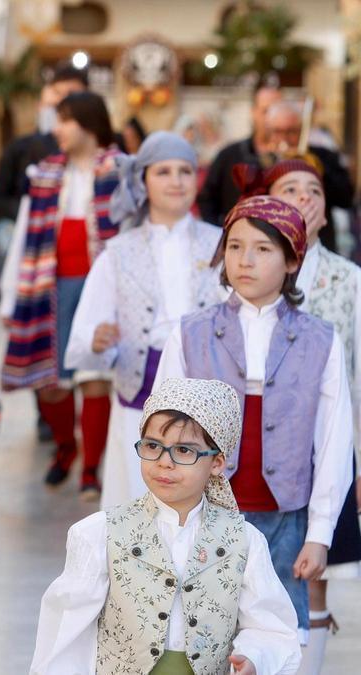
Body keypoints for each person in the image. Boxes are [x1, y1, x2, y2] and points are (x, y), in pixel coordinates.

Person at [156, 195, 354, 647]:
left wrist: (320, 534)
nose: (245, 260)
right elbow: (165, 432)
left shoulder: (320, 340)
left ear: (291, 260)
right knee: (199, 640)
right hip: (203, 515)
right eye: (235, 246)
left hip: (286, 518)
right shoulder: (189, 333)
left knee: (279, 640)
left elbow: (334, 442)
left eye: (263, 249)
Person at [30, 377, 302, 675]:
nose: (164, 462)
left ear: (217, 463)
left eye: (184, 450)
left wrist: (253, 658)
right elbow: (66, 638)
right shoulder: (100, 533)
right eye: (153, 446)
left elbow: (272, 627)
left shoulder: (244, 541)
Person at [238, 156, 361, 674]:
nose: (305, 198)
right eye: (291, 188)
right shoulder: (247, 270)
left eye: (314, 190)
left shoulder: (347, 278)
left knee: (314, 562)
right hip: (259, 441)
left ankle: (308, 665)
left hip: (324, 437)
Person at [65, 132, 224, 510]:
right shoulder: (117, 254)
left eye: (185, 171)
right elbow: (83, 342)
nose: (176, 181)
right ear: (142, 181)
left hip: (207, 394)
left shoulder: (221, 244)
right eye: (163, 171)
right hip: (141, 394)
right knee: (137, 501)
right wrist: (99, 342)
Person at [0, 91, 122, 498]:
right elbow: (23, 236)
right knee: (51, 380)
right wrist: (9, 296)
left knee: (95, 377)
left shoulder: (119, 170)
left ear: (88, 122)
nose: (57, 130)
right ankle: (66, 450)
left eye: (65, 120)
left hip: (101, 287)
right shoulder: (47, 173)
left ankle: (90, 469)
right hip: (49, 287)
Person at [197, 90, 353, 243]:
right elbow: (207, 200)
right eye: (277, 131)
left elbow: (346, 197)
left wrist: (314, 166)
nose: (284, 138)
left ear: (301, 129)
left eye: (291, 131)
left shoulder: (322, 156)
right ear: (268, 129)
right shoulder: (230, 155)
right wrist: (225, 233)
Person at [0, 65, 89, 223]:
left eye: (72, 95)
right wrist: (31, 213)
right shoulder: (20, 148)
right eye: (58, 94)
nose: (65, 102)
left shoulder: (102, 151)